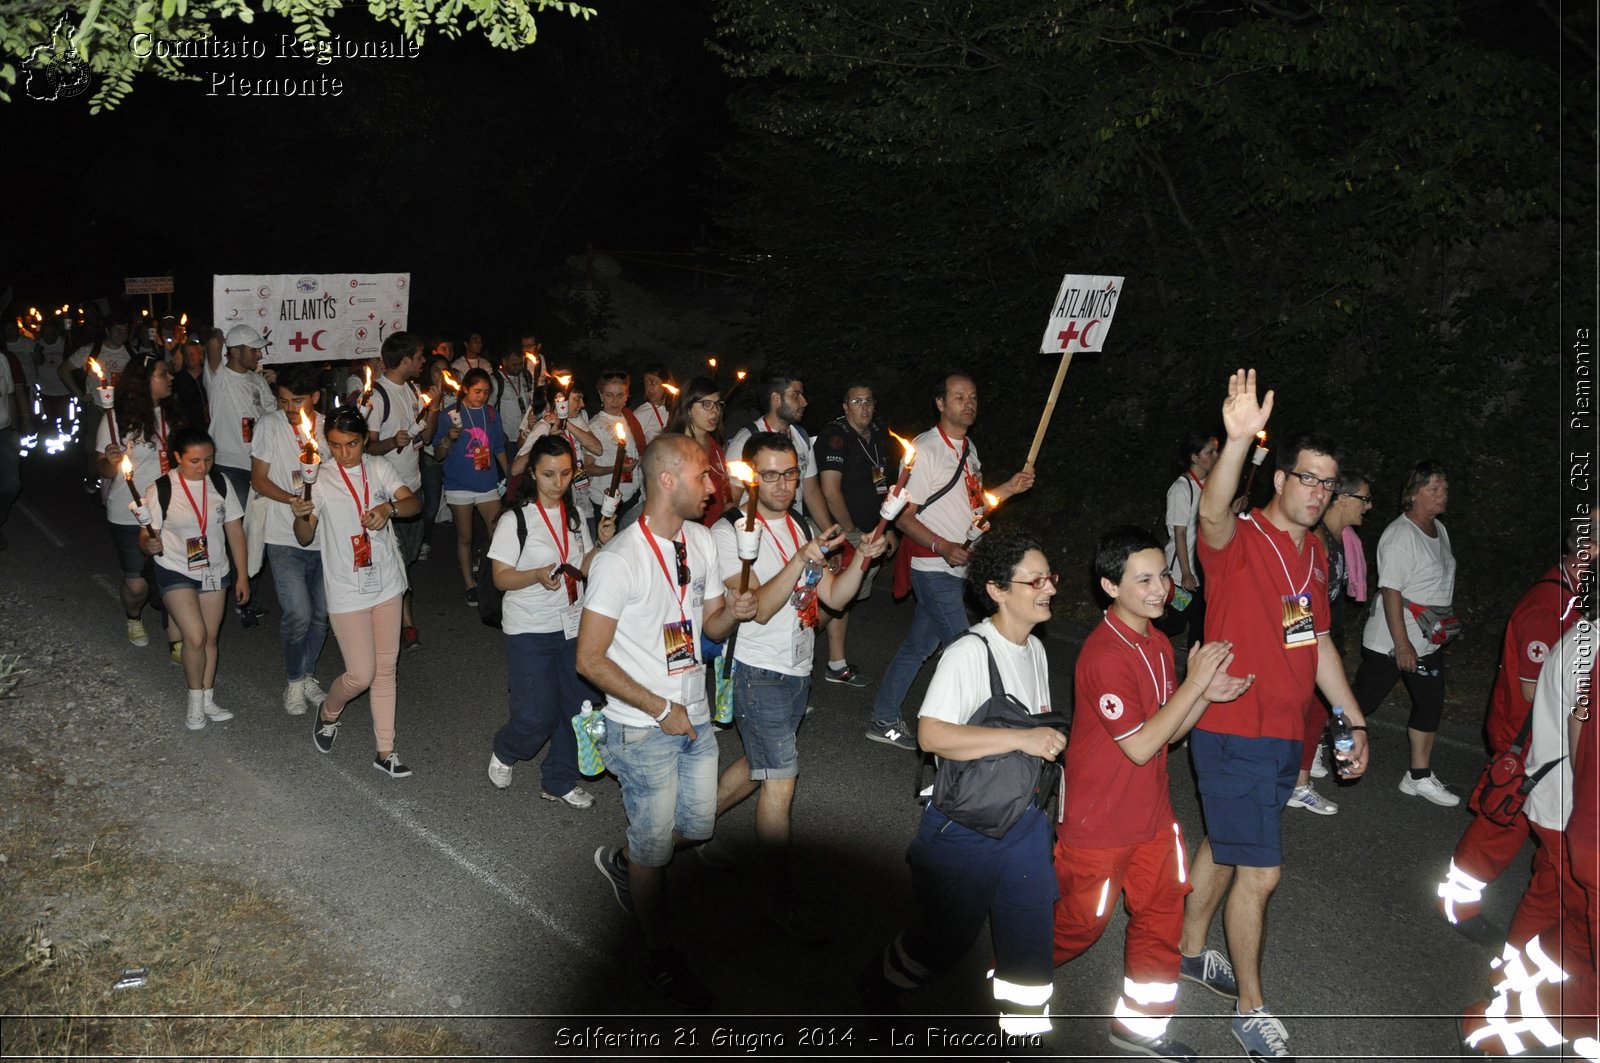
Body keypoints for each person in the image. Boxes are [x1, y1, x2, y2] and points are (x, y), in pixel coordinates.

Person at [1176, 369, 1370, 1061]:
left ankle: (1190, 950)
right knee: (1261, 871)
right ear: (1280, 477)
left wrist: (1353, 716)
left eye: (1329, 483)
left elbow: (1310, 638)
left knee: (1226, 846)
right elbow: (1210, 511)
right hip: (1233, 728)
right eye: (1309, 478)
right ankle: (1251, 1009)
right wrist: (1235, 441)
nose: (1319, 492)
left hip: (1282, 732)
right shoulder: (1240, 539)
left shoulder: (1311, 553)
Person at [1053, 527, 1251, 1062]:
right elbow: (1140, 744)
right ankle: (1004, 977)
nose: (1161, 588)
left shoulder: (1159, 643)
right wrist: (1195, 685)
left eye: (1163, 574)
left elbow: (1172, 731)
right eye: (1143, 579)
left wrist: (1204, 695)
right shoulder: (1103, 655)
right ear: (1109, 586)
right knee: (1078, 927)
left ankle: (1138, 1029)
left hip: (1153, 817)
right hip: (1098, 824)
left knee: (1163, 918)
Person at [579, 434, 758, 1012]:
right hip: (642, 726)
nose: (714, 487)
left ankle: (632, 860)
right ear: (667, 481)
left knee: (699, 825)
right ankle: (659, 953)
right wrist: (659, 709)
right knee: (657, 847)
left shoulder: (703, 541)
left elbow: (705, 625)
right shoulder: (617, 561)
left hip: (695, 715)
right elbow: (589, 658)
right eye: (704, 476)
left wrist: (731, 612)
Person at [871, 531, 1062, 1035]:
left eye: (1051, 578)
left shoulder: (1036, 650)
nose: (1049, 589)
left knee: (1029, 942)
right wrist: (1020, 741)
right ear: (998, 590)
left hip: (1024, 823)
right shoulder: (970, 653)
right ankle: (879, 984)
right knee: (946, 940)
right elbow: (931, 735)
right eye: (1035, 580)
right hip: (966, 826)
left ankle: (1023, 1036)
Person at [710, 431, 887, 935]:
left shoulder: (798, 524)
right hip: (757, 671)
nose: (784, 485)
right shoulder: (729, 533)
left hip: (796, 670)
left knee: (756, 767)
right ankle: (780, 891)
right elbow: (758, 608)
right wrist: (801, 557)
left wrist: (863, 558)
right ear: (750, 478)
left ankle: (676, 836)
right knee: (781, 779)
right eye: (771, 475)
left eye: (790, 473)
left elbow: (831, 598)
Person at [1439, 512, 1594, 942]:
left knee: (1514, 831)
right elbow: (1531, 692)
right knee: (1500, 827)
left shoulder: (1573, 598)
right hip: (1525, 743)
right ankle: (1459, 904)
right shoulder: (1549, 607)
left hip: (1538, 742)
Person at [867, 372, 1035, 749]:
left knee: (917, 647)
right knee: (968, 647)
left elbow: (973, 505)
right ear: (940, 403)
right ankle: (985, 739)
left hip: (958, 566)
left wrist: (1009, 487)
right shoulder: (925, 450)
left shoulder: (969, 449)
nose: (969, 404)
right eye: (959, 397)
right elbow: (903, 515)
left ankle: (883, 716)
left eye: (973, 397)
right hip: (933, 568)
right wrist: (942, 545)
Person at [291, 407, 422, 778]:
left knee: (386, 670)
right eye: (334, 445)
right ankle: (329, 712)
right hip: (347, 588)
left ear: (364, 440)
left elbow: (414, 504)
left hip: (386, 584)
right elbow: (305, 536)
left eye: (350, 444)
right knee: (361, 674)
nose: (343, 452)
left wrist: (389, 508)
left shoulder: (378, 467)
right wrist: (301, 514)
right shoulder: (317, 478)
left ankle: (385, 751)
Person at [487, 435, 617, 808]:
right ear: (532, 473)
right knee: (535, 716)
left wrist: (602, 546)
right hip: (528, 629)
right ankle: (507, 748)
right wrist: (536, 575)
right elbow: (501, 578)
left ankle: (558, 780)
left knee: (580, 709)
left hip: (573, 626)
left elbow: (581, 567)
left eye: (564, 473)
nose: (557, 483)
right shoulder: (516, 520)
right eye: (548, 474)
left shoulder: (574, 514)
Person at [1352, 459, 1458, 805]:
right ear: (1412, 495)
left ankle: (1418, 776)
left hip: (1427, 640)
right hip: (1391, 641)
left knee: (1430, 705)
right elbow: (1392, 592)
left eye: (1444, 487)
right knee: (1361, 703)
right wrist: (1402, 645)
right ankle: (1320, 745)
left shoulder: (1438, 529)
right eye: (1434, 488)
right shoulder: (1400, 536)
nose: (1443, 494)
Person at [140, 425, 248, 730]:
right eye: (195, 461)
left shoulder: (221, 483)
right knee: (196, 636)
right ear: (177, 457)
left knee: (211, 638)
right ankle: (195, 701)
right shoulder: (161, 488)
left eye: (209, 460)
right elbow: (146, 536)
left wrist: (242, 576)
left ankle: (208, 697)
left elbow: (235, 532)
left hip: (215, 570)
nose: (203, 467)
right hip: (175, 567)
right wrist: (148, 543)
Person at [1286, 469, 1372, 817]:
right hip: (1303, 641)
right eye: (1364, 498)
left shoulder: (1340, 540)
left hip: (1321, 638)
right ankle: (1294, 783)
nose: (1369, 506)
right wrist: (1302, 651)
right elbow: (1295, 598)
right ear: (1342, 498)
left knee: (1319, 712)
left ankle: (1299, 780)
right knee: (1303, 713)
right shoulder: (1315, 539)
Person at [249, 363, 331, 716]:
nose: (289, 409)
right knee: (298, 613)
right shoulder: (269, 424)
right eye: (282, 400)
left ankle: (308, 674)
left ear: (314, 396)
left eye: (297, 400)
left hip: (325, 538)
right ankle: (295, 680)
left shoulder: (330, 428)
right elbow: (258, 479)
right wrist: (291, 500)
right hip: (284, 535)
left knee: (322, 616)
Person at [816, 380, 900, 687]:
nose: (863, 407)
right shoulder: (836, 435)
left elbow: (881, 487)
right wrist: (850, 532)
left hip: (870, 532)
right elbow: (829, 490)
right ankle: (789, 643)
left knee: (846, 599)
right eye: (856, 402)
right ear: (844, 407)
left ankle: (836, 664)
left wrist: (884, 529)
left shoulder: (876, 437)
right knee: (831, 599)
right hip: (845, 532)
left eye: (868, 401)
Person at [97, 355, 180, 650]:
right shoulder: (117, 419)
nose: (170, 378)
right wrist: (110, 460)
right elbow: (102, 469)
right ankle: (133, 616)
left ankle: (178, 639)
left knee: (175, 578)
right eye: (163, 374)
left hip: (170, 510)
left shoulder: (173, 415)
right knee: (137, 586)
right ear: (144, 382)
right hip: (128, 512)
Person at [366, 332, 434, 649]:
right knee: (389, 563)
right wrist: (393, 441)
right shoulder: (378, 395)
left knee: (403, 562)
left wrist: (432, 410)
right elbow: (366, 446)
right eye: (419, 356)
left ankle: (394, 618)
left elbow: (426, 438)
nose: (423, 362)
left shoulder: (413, 389)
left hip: (411, 490)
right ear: (405, 359)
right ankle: (402, 623)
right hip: (385, 496)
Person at [205, 324, 276, 626]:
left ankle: (245, 595)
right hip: (230, 468)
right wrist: (217, 331)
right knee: (239, 535)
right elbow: (212, 344)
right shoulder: (218, 378)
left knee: (256, 533)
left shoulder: (258, 381)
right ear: (233, 352)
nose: (259, 353)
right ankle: (237, 597)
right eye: (253, 349)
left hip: (259, 467)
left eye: (259, 348)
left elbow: (272, 418)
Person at [432, 367, 507, 607]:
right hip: (458, 484)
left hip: (487, 482)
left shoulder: (491, 414)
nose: (482, 396)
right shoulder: (449, 414)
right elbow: (438, 454)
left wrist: (510, 473)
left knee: (497, 533)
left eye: (486, 392)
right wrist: (448, 439)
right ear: (464, 388)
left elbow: (498, 447)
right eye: (477, 391)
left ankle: (494, 578)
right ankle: (469, 583)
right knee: (465, 536)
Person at [726, 369, 831, 527]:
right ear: (776, 399)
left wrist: (831, 536)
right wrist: (742, 539)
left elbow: (812, 492)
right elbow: (730, 499)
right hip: (759, 534)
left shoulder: (801, 436)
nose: (804, 401)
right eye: (796, 395)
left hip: (792, 530)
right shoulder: (746, 441)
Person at [1155, 431, 1218, 647]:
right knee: (1177, 624)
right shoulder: (1181, 489)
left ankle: (1194, 673)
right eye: (1210, 452)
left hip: (1202, 569)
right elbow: (1179, 533)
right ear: (1195, 457)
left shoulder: (1211, 485)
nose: (1216, 455)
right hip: (1181, 573)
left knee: (1199, 628)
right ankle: (1137, 641)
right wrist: (1186, 572)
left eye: (1217, 450)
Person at [583, 369, 648, 530]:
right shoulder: (594, 426)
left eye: (620, 395)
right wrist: (617, 468)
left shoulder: (629, 419)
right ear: (600, 396)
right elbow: (588, 468)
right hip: (606, 499)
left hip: (631, 496)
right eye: (609, 395)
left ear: (627, 396)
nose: (615, 400)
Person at [662, 376, 728, 526]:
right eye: (706, 404)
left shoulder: (715, 444)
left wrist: (728, 512)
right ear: (688, 407)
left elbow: (724, 483)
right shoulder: (674, 449)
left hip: (718, 527)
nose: (715, 412)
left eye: (718, 405)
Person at [633, 362, 675, 445]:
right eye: (646, 383)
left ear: (667, 383)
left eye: (653, 382)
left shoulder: (678, 409)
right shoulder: (640, 414)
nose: (648, 388)